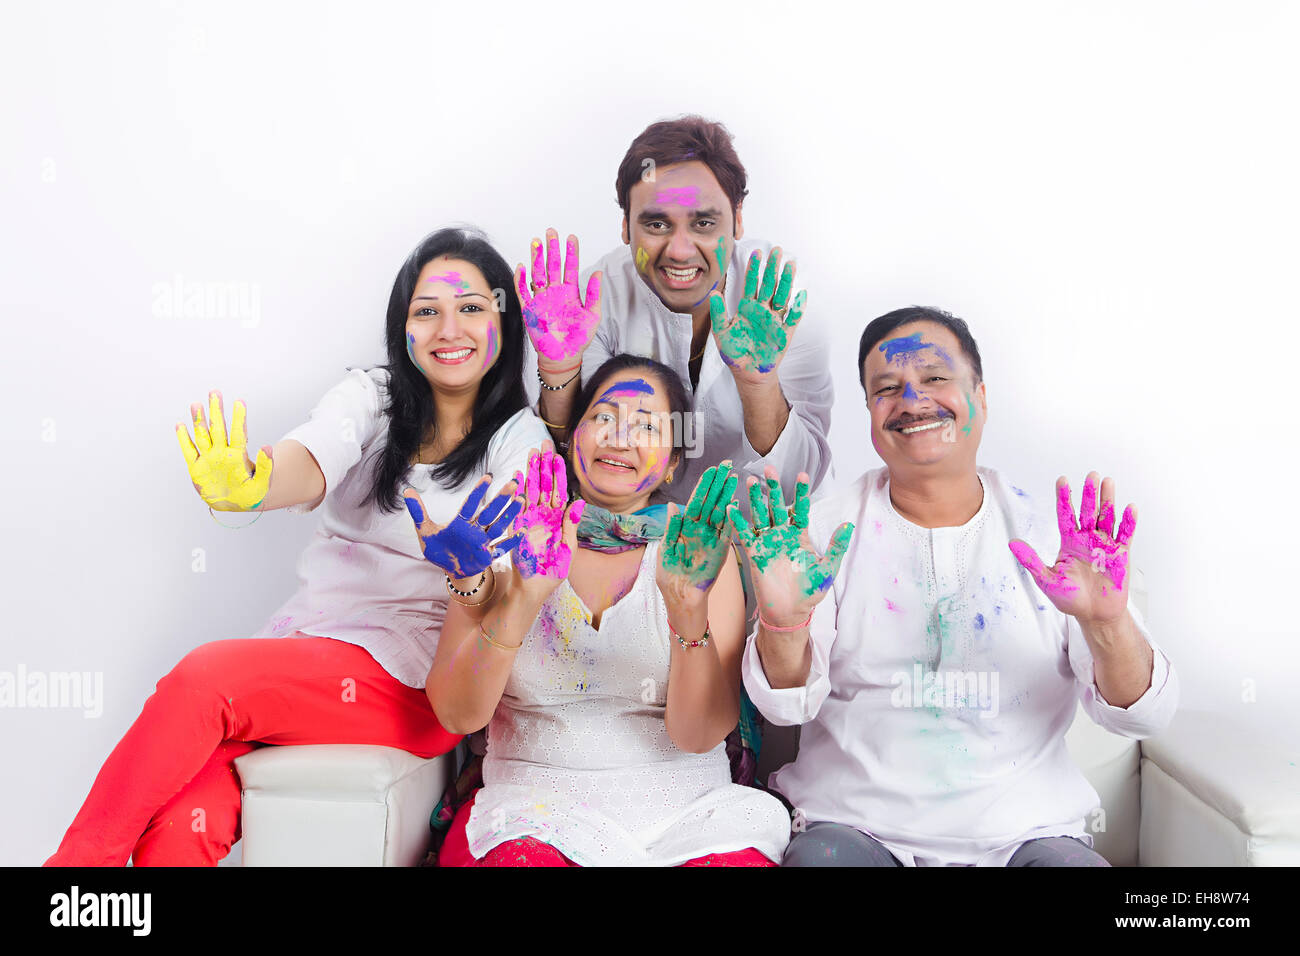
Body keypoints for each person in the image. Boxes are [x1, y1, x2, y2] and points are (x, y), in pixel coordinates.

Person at [44, 227, 548, 866]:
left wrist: (471, 558)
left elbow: (507, 565)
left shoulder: (520, 441)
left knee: (204, 680)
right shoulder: (374, 396)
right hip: (309, 655)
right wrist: (254, 485)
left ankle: (69, 874)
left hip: (414, 683)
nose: (450, 328)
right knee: (187, 817)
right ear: (403, 329)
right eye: (428, 311)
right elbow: (313, 457)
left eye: (472, 308)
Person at [738, 306, 1179, 867]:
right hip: (851, 830)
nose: (913, 400)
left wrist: (1106, 623)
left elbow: (1140, 716)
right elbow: (784, 707)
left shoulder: (1051, 542)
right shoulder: (824, 536)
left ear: (982, 395)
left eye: (935, 378)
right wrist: (783, 621)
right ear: (870, 412)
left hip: (1030, 836)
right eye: (887, 388)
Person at [431, 355, 794, 866]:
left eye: (647, 426)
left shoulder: (700, 552)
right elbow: (456, 714)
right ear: (571, 436)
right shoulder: (506, 531)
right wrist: (526, 595)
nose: (620, 437)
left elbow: (698, 736)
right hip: (532, 812)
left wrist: (687, 610)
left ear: (671, 463)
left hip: (691, 814)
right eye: (603, 417)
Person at [519, 115, 834, 505]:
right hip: (632, 535)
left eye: (703, 223)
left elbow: (798, 479)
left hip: (764, 536)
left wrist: (758, 385)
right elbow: (573, 462)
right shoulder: (591, 300)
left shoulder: (783, 302)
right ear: (625, 227)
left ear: (737, 219)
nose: (680, 250)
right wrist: (558, 373)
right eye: (656, 224)